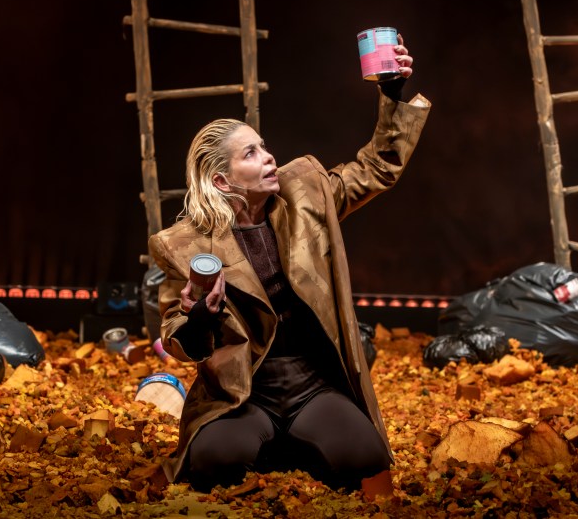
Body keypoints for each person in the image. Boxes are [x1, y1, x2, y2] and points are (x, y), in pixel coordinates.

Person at [148, 35, 430, 493]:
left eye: (263, 146)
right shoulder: (186, 245)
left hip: (311, 381)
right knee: (215, 460)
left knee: (366, 457)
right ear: (222, 181)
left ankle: (291, 445)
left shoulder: (306, 193)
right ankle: (270, 445)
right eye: (251, 153)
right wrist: (199, 319)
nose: (269, 157)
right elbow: (176, 338)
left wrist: (392, 95)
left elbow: (378, 168)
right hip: (242, 392)